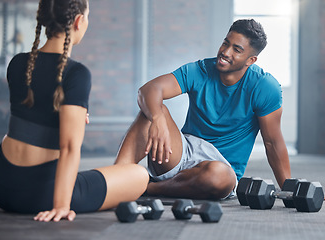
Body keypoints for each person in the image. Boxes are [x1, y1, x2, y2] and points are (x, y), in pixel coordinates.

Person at [0, 0, 149, 222]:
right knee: (139, 175)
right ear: (78, 21)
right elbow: (70, 147)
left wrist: (67, 119)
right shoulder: (76, 73)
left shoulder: (17, 63)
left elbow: (29, 121)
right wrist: (61, 206)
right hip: (39, 196)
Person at [115, 19, 290, 200]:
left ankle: (149, 188)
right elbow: (149, 90)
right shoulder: (201, 70)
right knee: (151, 111)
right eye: (225, 43)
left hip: (220, 168)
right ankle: (115, 179)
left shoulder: (265, 87)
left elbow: (272, 143)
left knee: (219, 176)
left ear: (251, 60)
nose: (225, 52)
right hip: (182, 153)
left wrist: (290, 189)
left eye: (236, 50)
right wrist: (158, 118)